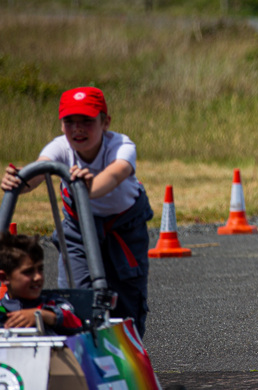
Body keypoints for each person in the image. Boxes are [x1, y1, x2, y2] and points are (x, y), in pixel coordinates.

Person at [1, 87, 154, 337]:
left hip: (123, 227)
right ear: (62, 126)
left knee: (125, 295)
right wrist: (18, 180)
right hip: (78, 228)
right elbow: (38, 171)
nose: (77, 129)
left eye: (87, 121)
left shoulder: (121, 145)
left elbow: (114, 176)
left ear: (105, 122)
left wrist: (88, 186)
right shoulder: (60, 148)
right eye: (70, 122)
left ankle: (126, 353)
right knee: (77, 294)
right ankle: (78, 352)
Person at [0, 233, 82, 334]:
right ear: (4, 277)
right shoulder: (2, 310)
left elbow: (77, 323)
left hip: (51, 348)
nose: (38, 277)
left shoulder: (52, 302)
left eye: (40, 269)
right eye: (28, 272)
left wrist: (43, 315)